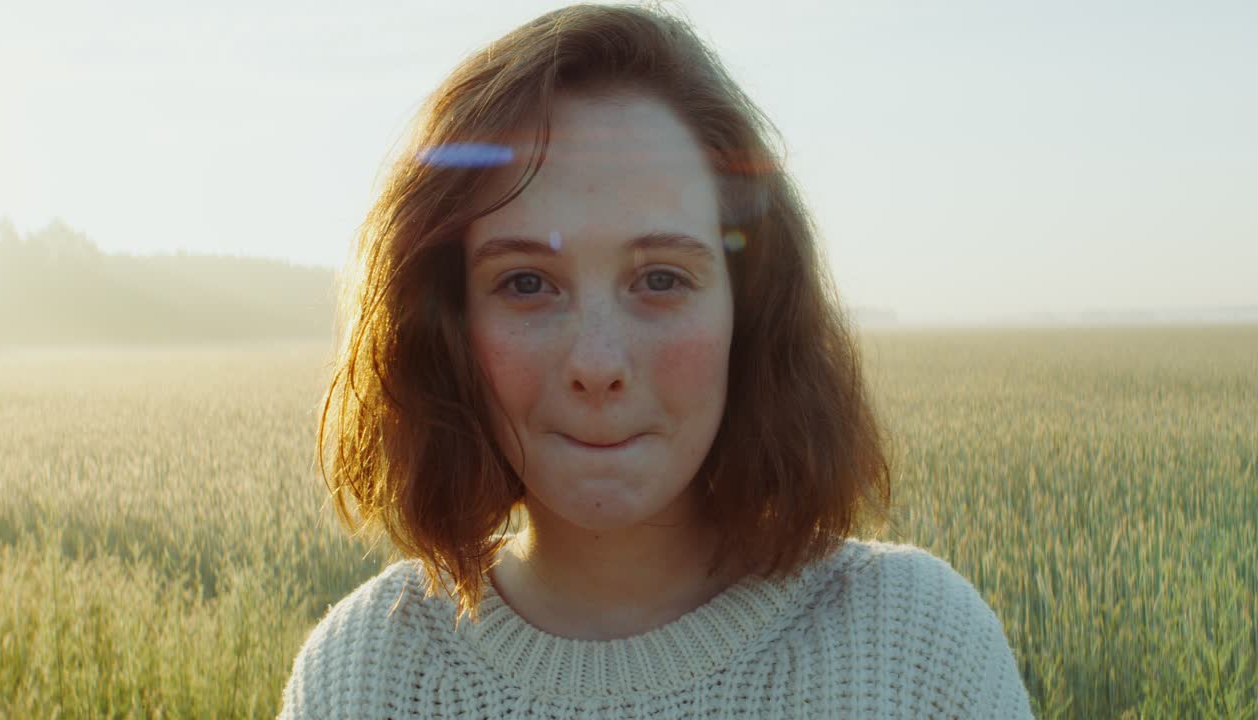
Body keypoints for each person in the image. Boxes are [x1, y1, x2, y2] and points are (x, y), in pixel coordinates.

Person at [280, 3, 1035, 718]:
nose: (598, 363)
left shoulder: (915, 653)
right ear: (445, 324)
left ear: (750, 308)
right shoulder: (364, 676)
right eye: (526, 283)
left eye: (661, 280)